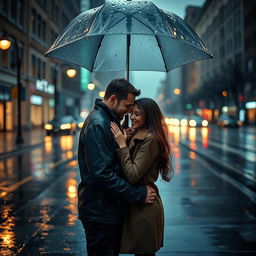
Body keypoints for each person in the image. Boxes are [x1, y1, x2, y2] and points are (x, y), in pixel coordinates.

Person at [77, 79, 157, 256]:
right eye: (127, 106)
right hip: (100, 211)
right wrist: (138, 194)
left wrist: (123, 141)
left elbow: (110, 163)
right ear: (113, 99)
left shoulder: (108, 122)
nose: (129, 112)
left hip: (106, 207)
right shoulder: (99, 124)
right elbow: (102, 174)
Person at [110, 98, 174, 256]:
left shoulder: (151, 139)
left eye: (137, 114)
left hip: (145, 210)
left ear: (149, 117)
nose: (132, 117)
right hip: (137, 205)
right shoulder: (138, 136)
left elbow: (132, 175)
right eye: (132, 113)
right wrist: (127, 138)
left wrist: (123, 145)